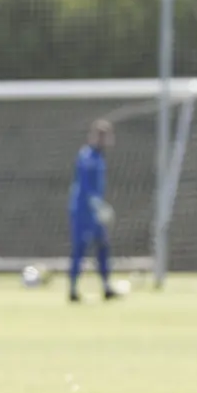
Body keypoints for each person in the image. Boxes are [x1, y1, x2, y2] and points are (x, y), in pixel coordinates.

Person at [68, 119, 116, 302]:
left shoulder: (99, 157)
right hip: (82, 210)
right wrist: (98, 205)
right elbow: (86, 186)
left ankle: (106, 287)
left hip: (94, 211)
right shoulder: (87, 156)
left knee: (103, 246)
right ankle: (72, 290)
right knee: (80, 248)